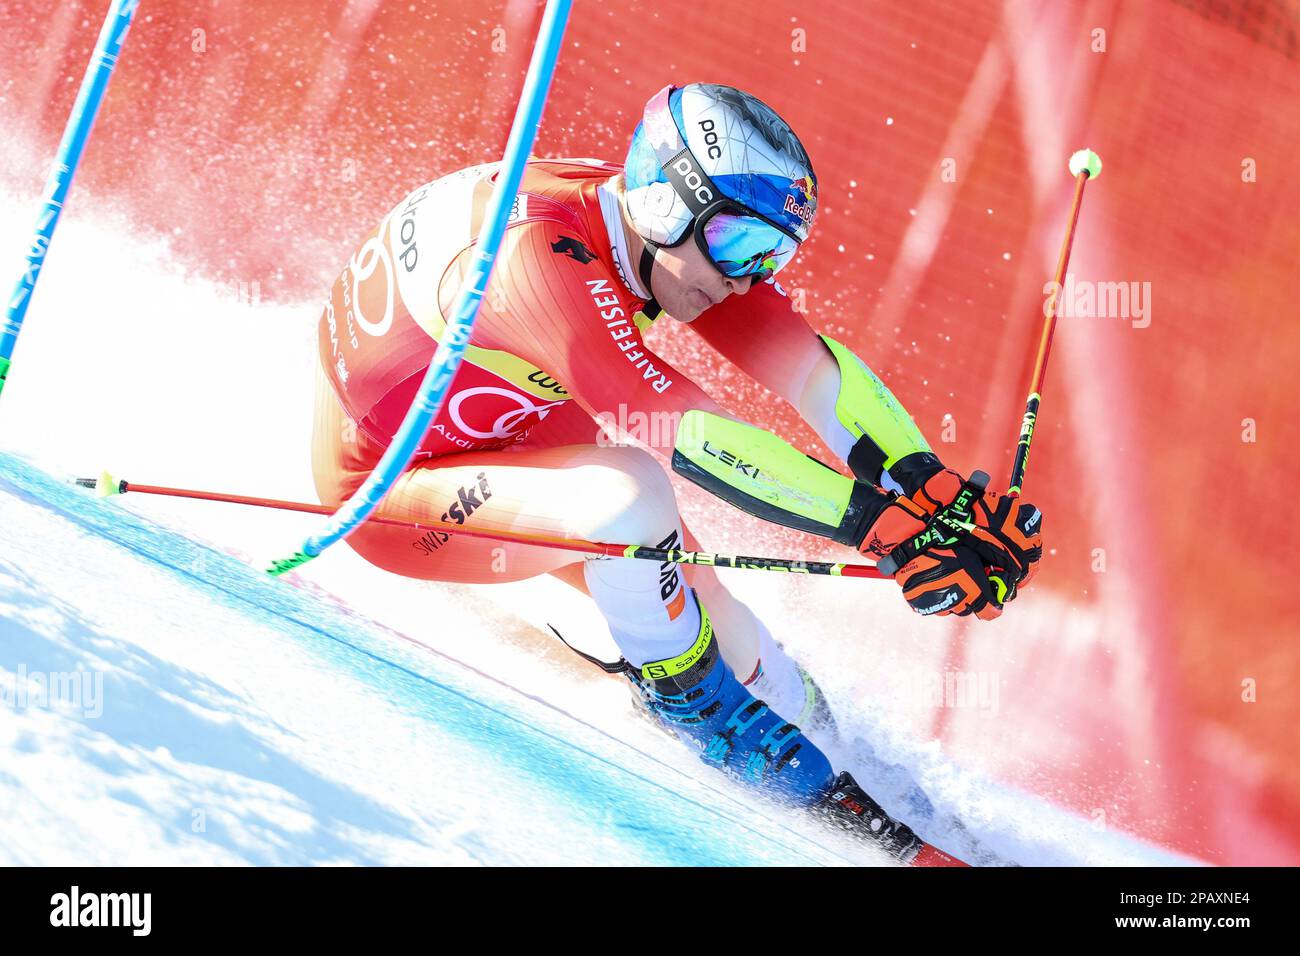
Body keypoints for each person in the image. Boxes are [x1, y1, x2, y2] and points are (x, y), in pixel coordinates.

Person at [311, 82, 1043, 862]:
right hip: (397, 490)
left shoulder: (662, 236)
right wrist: (884, 530)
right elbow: (686, 429)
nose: (745, 277)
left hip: (511, 422)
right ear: (667, 198)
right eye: (736, 246)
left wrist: (933, 493)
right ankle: (691, 705)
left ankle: (873, 776)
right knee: (633, 500)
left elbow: (814, 375)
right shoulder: (539, 258)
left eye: (772, 255)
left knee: (710, 602)